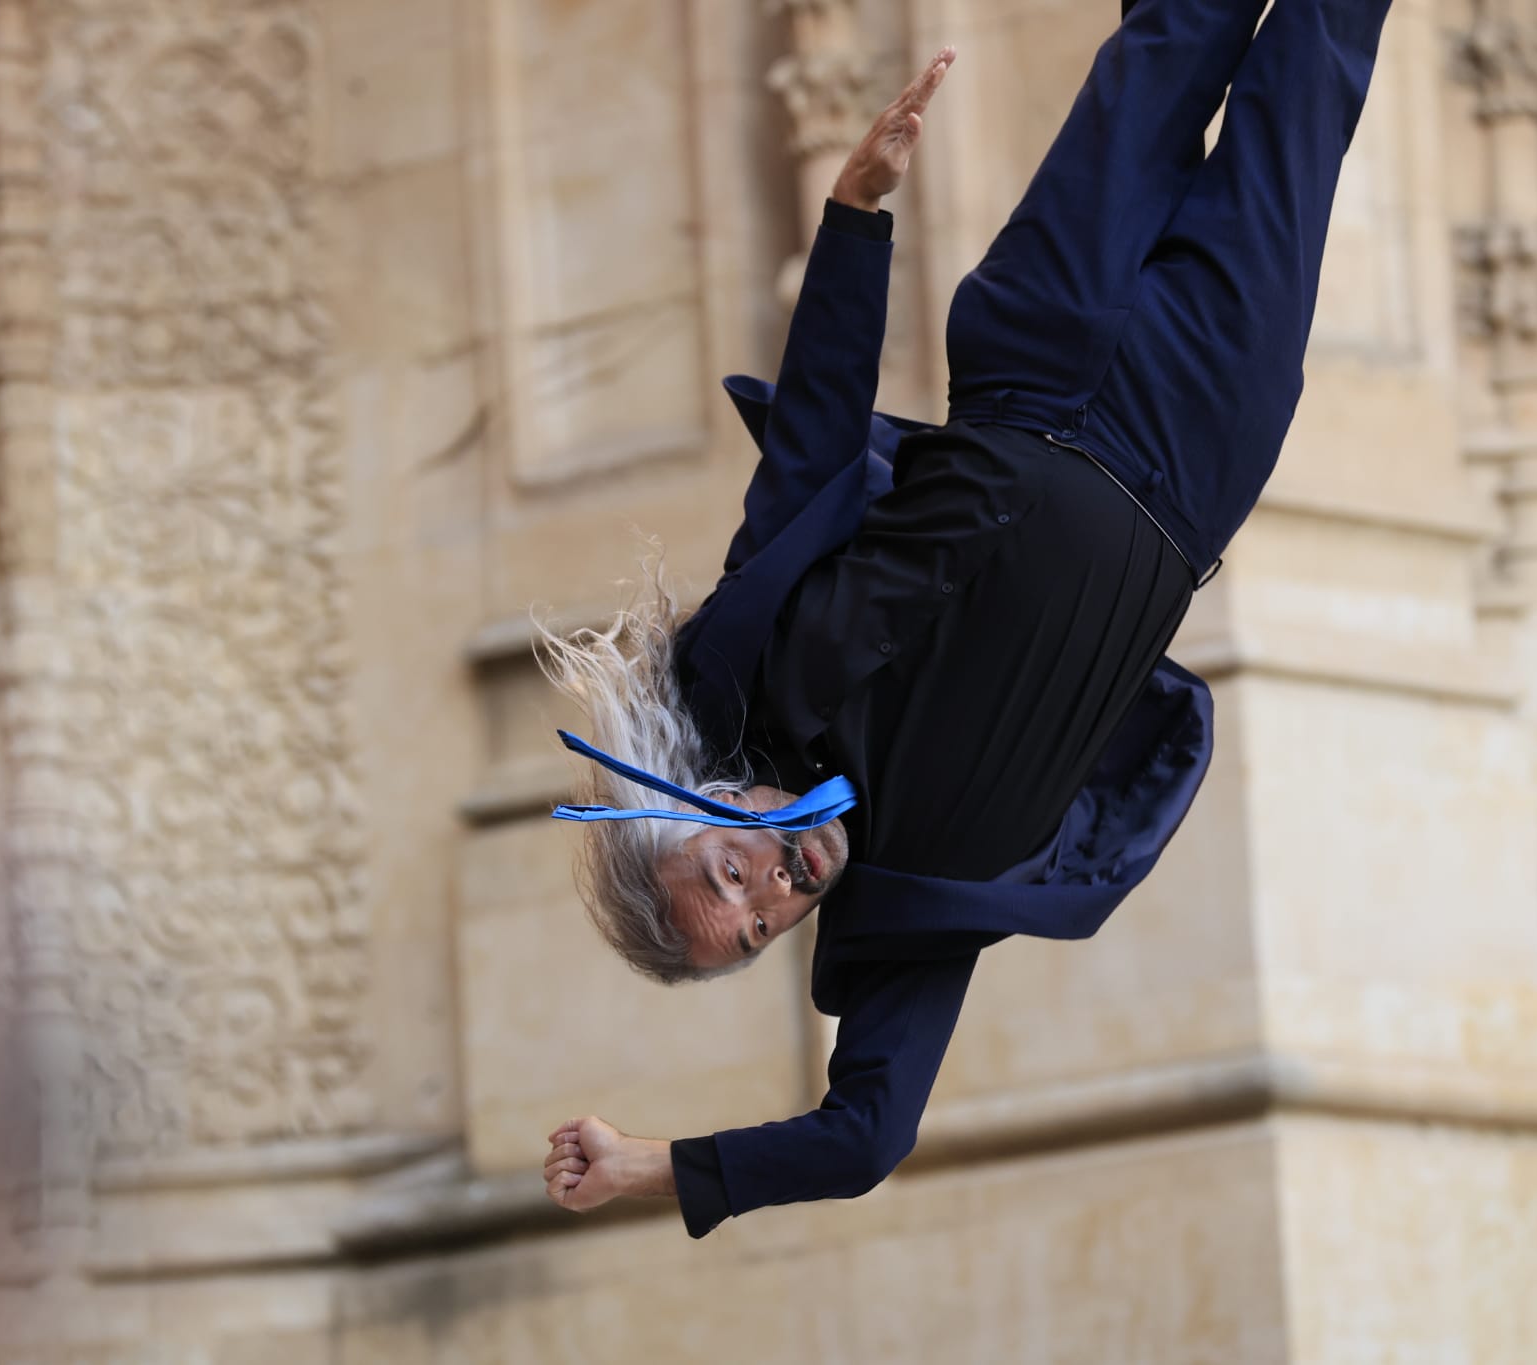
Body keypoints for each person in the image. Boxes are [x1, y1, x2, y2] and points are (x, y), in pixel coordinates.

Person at [539, 0, 1394, 1238]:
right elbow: (865, 1136)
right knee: (1306, 92)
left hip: (1033, 353)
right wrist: (652, 1166)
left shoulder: (748, 668)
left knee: (1172, 41)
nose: (776, 891)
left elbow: (814, 446)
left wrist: (852, 214)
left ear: (706, 805)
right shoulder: (904, 915)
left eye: (732, 874)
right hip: (1191, 447)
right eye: (762, 930)